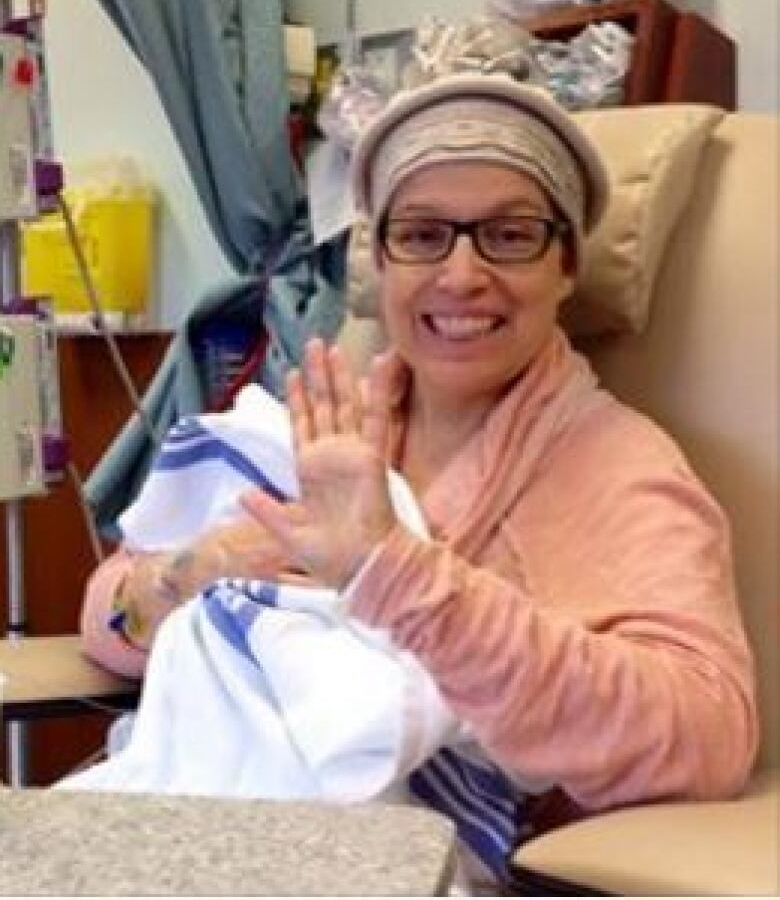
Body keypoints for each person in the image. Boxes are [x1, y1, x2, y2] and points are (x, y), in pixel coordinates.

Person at [79, 71, 758, 888]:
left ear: (567, 263)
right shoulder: (328, 420)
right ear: (381, 258)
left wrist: (397, 576)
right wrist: (203, 569)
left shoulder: (622, 471)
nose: (462, 276)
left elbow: (707, 734)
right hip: (217, 820)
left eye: (509, 235)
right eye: (424, 234)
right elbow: (108, 615)